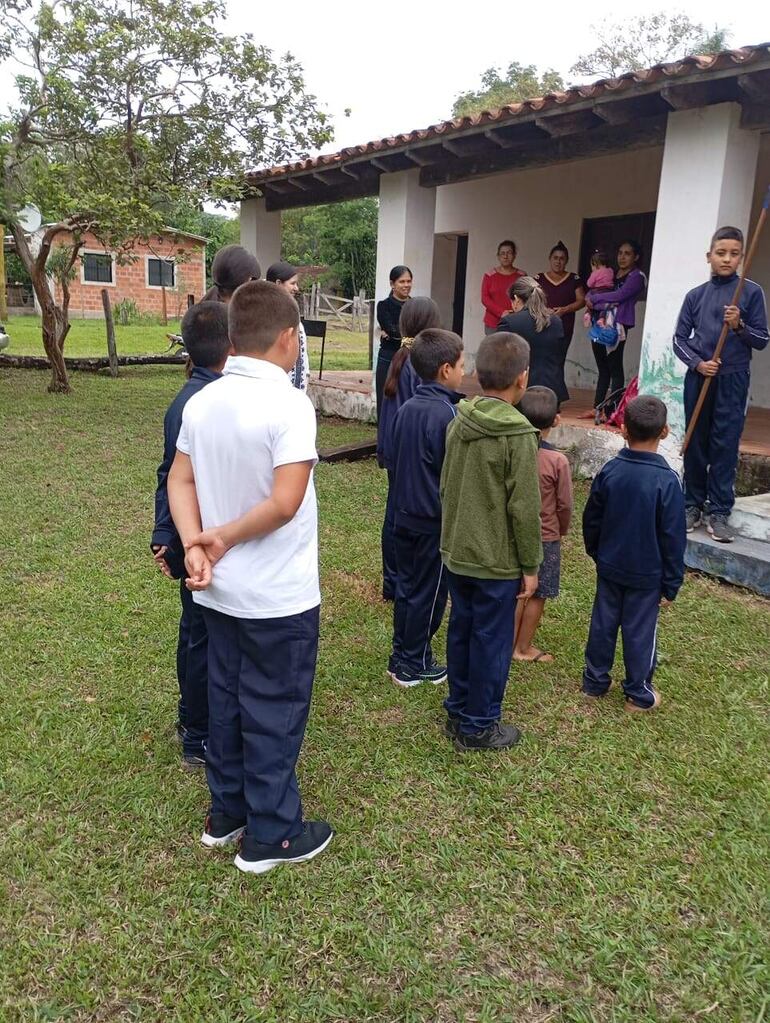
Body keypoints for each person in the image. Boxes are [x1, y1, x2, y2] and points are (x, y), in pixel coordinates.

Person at [167, 280, 333, 875]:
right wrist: (218, 538)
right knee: (274, 709)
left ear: (233, 336)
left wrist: (196, 543)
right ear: (289, 338)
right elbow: (286, 502)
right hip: (278, 598)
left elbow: (179, 480)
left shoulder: (202, 400)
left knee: (229, 701)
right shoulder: (289, 404)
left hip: (219, 591)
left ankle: (226, 813)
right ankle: (275, 835)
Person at [440, 332, 542, 751]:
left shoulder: (457, 419)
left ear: (478, 375)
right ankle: (479, 723)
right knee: (491, 641)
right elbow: (525, 509)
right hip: (496, 562)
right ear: (523, 379)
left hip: (458, 553)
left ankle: (459, 707)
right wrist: (531, 566)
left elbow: (445, 485)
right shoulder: (518, 435)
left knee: (462, 630)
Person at [151, 301, 232, 770]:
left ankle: (195, 721)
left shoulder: (189, 396)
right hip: (199, 538)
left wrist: (164, 531)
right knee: (202, 635)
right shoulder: (200, 405)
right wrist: (172, 534)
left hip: (193, 535)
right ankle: (197, 732)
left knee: (197, 633)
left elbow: (166, 471)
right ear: (232, 345)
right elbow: (173, 475)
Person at [582, 395, 686, 712]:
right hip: (647, 576)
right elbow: (673, 538)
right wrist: (672, 583)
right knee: (640, 632)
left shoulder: (610, 471)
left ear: (623, 429)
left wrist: (597, 553)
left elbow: (591, 519)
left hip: (610, 565)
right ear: (665, 431)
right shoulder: (668, 482)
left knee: (603, 623)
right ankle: (638, 694)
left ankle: (595, 682)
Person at [674, 226, 769, 543]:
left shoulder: (751, 293)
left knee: (725, 444)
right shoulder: (695, 296)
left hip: (733, 379)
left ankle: (719, 512)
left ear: (742, 257)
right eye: (721, 252)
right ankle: (692, 504)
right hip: (701, 378)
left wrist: (739, 324)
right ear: (709, 256)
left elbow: (761, 340)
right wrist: (698, 363)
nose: (727, 259)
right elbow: (679, 340)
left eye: (734, 253)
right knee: (697, 440)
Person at [388, 328, 465, 688]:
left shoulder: (407, 408)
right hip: (431, 521)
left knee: (407, 588)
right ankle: (412, 663)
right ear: (446, 369)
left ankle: (402, 653)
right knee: (429, 595)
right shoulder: (448, 415)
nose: (466, 372)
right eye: (463, 365)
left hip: (403, 514)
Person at [377, 297, 442, 602]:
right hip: (408, 450)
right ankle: (398, 579)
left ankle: (392, 580)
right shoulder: (418, 364)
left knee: (394, 510)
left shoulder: (402, 356)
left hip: (394, 446)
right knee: (400, 514)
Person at [514, 386, 572, 664]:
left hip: (513, 532)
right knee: (538, 594)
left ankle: (505, 644)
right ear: (556, 420)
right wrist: (561, 530)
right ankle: (522, 648)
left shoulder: (513, 452)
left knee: (516, 591)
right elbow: (565, 505)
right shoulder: (557, 461)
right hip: (545, 536)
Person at [585, 239, 646, 417]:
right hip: (599, 323)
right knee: (602, 367)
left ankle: (612, 409)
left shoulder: (637, 277)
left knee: (614, 366)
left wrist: (595, 300)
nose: (622, 257)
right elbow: (597, 289)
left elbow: (620, 295)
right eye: (620, 253)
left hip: (618, 326)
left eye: (627, 253)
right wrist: (591, 298)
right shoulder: (611, 273)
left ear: (636, 257)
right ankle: (597, 408)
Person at [498, 276, 568, 403]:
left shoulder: (509, 322)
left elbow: (499, 359)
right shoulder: (556, 321)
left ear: (516, 299)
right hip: (551, 391)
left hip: (520, 391)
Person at [535, 241, 585, 372]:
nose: (558, 261)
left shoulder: (574, 279)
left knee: (558, 362)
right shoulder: (539, 278)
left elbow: (581, 300)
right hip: (542, 326)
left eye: (562, 258)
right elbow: (530, 300)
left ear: (567, 261)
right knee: (541, 360)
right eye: (555, 258)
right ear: (550, 259)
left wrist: (565, 309)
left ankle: (556, 391)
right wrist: (543, 310)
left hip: (564, 327)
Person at [266, 261, 309, 392]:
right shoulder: (264, 315)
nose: (296, 288)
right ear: (278, 283)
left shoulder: (290, 312)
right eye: (292, 283)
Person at [375, 266, 413, 417]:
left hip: (411, 360)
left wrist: (398, 336)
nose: (406, 285)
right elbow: (393, 331)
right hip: (388, 358)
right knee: (386, 401)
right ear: (392, 284)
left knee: (408, 399)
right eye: (401, 281)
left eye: (409, 281)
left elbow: (423, 331)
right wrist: (410, 338)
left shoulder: (416, 305)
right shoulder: (384, 306)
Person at [481, 240, 525, 335]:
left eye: (509, 253)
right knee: (493, 349)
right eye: (502, 253)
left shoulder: (521, 276)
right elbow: (485, 298)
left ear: (514, 255)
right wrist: (501, 312)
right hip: (493, 323)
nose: (505, 256)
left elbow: (526, 298)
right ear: (498, 256)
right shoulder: (489, 275)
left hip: (515, 322)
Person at [582, 251, 614, 327]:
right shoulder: (610, 270)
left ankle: (588, 314)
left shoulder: (595, 273)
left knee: (588, 299)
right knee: (605, 307)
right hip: (608, 291)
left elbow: (589, 284)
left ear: (595, 265)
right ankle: (602, 318)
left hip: (596, 291)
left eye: (592, 266)